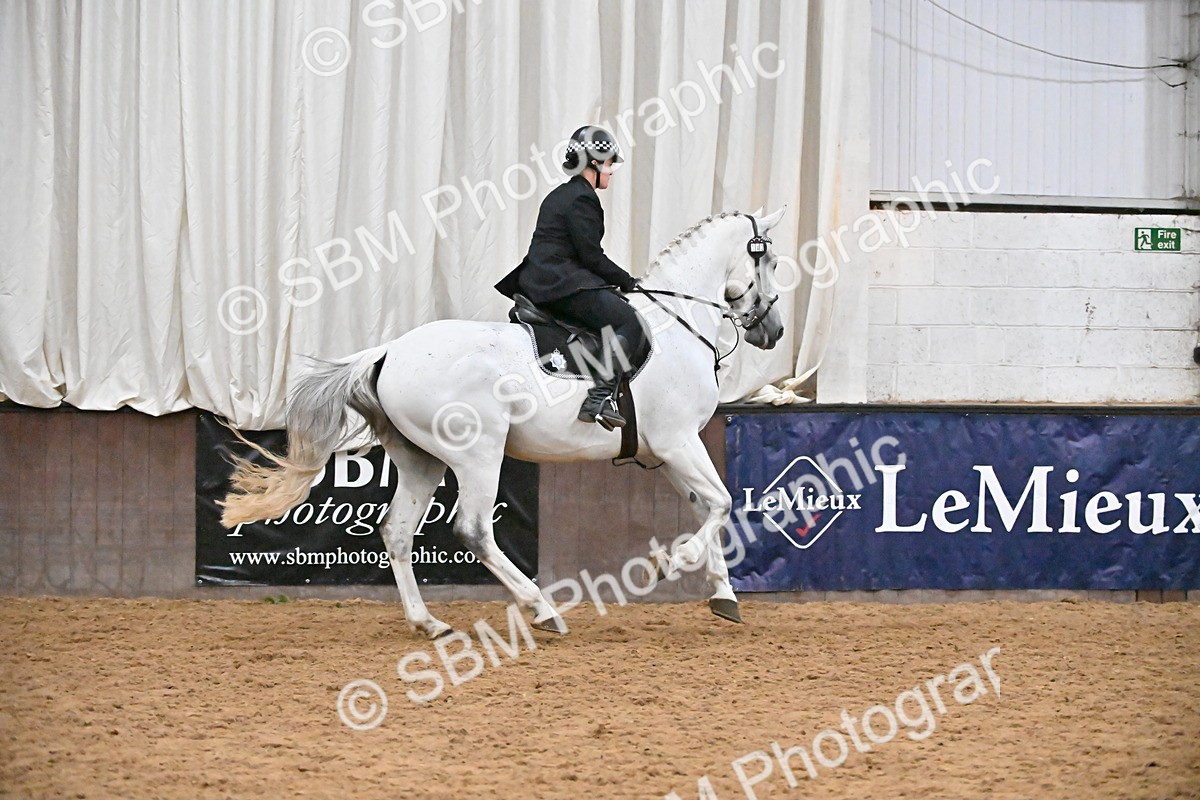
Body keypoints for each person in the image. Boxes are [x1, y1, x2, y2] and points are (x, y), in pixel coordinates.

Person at [495, 126, 648, 429]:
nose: (611, 171)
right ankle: (599, 398)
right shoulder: (582, 198)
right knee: (630, 322)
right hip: (560, 284)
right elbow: (591, 256)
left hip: (547, 280)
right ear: (593, 162)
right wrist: (629, 281)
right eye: (608, 163)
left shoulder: (562, 194)